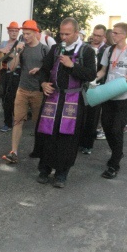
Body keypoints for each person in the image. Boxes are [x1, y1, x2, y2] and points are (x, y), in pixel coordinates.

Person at [35, 17, 96, 188]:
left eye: (67, 34)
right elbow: (43, 70)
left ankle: (62, 173)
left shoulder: (87, 51)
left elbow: (91, 74)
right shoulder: (55, 49)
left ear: (77, 32)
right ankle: (44, 169)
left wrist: (72, 65)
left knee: (67, 137)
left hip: (73, 100)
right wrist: (43, 83)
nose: (63, 37)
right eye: (61, 33)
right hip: (53, 98)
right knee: (47, 134)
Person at [96, 22, 127, 179]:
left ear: (124, 35)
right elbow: (103, 70)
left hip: (123, 96)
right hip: (108, 94)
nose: (113, 35)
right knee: (106, 126)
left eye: (116, 33)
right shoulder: (109, 50)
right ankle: (118, 152)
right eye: (113, 33)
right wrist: (93, 80)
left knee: (117, 129)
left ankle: (114, 164)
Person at [1, 20, 47, 164]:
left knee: (38, 122)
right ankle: (13, 152)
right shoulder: (21, 47)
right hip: (22, 89)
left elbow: (50, 69)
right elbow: (12, 68)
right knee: (18, 120)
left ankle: (40, 150)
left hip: (38, 91)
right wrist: (16, 52)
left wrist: (40, 70)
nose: (25, 36)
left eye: (28, 34)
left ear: (35, 33)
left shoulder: (44, 49)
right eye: (24, 33)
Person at [80, 24, 107, 154]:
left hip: (98, 86)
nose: (95, 38)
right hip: (82, 85)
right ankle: (79, 142)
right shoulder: (84, 47)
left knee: (93, 116)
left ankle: (88, 145)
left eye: (99, 36)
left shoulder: (106, 50)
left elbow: (105, 70)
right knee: (81, 114)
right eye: (94, 34)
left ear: (104, 36)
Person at [0, 22, 21, 133]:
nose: (14, 33)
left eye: (16, 31)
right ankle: (8, 122)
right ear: (8, 32)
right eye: (12, 31)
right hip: (4, 72)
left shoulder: (20, 43)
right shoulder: (3, 43)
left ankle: (13, 122)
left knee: (13, 98)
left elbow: (18, 56)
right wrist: (1, 51)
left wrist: (9, 53)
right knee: (4, 97)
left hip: (15, 74)